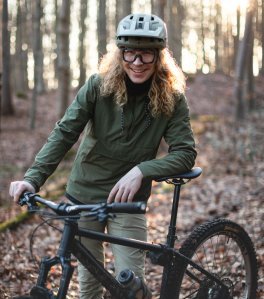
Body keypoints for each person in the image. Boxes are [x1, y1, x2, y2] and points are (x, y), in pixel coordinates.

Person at [9, 13, 196, 299]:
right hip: (83, 196)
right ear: (119, 54)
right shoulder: (98, 86)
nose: (136, 63)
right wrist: (32, 179)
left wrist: (142, 170)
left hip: (127, 202)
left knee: (131, 287)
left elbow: (185, 153)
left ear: (159, 57)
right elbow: (64, 133)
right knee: (89, 287)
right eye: (129, 53)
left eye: (146, 55)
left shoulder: (172, 98)